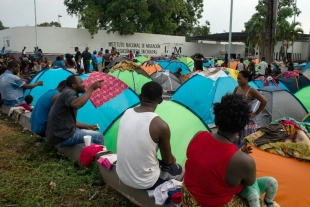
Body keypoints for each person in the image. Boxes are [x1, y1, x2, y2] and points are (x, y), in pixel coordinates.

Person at [183, 94, 277, 207]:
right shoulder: (244, 161)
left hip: (187, 196)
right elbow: (250, 183)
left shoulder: (199, 135)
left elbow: (210, 160)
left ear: (216, 119)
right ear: (243, 126)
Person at [116, 82, 184, 190]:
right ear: (161, 100)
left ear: (140, 97)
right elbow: (168, 161)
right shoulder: (161, 125)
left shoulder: (127, 112)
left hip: (122, 175)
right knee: (180, 169)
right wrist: (172, 159)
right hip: (146, 182)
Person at [46, 75, 104, 147]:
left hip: (57, 135)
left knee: (87, 131)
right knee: (99, 137)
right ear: (74, 85)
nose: (84, 85)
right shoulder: (68, 92)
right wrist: (91, 88)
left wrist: (87, 126)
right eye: (81, 82)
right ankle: (97, 157)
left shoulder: (66, 92)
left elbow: (69, 121)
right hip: (62, 138)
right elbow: (76, 104)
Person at [233, 70, 267, 146]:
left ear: (246, 79)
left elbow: (264, 101)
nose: (238, 80)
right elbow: (231, 100)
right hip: (236, 119)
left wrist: (255, 113)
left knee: (245, 143)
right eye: (237, 78)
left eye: (240, 78)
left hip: (246, 120)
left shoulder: (251, 90)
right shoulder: (237, 88)